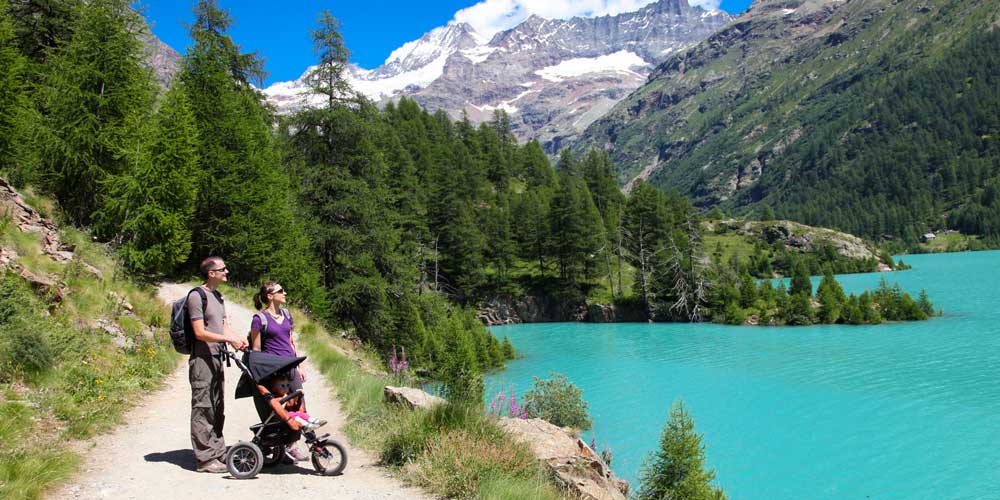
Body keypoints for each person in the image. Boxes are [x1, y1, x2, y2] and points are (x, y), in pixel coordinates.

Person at [187, 256, 248, 473]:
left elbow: (223, 327)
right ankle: (204, 459)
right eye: (222, 269)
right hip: (202, 360)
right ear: (211, 273)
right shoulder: (197, 296)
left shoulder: (218, 297)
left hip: (216, 359)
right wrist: (227, 340)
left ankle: (217, 450)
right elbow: (199, 332)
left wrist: (238, 339)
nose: (227, 271)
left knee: (217, 406)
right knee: (203, 407)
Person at [250, 281, 309, 461]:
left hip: (291, 366)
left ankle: (292, 444)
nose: (285, 293)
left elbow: (290, 341)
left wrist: (300, 365)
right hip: (275, 371)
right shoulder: (259, 319)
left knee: (299, 403)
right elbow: (256, 349)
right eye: (280, 291)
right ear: (270, 296)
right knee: (280, 407)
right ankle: (283, 445)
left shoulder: (287, 315)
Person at [260, 373, 326, 431]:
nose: (286, 388)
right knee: (292, 414)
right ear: (274, 389)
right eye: (282, 386)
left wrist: (297, 396)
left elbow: (291, 405)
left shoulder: (286, 395)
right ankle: (305, 425)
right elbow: (279, 408)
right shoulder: (275, 398)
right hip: (282, 418)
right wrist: (284, 400)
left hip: (291, 415)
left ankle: (314, 421)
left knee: (299, 413)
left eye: (287, 385)